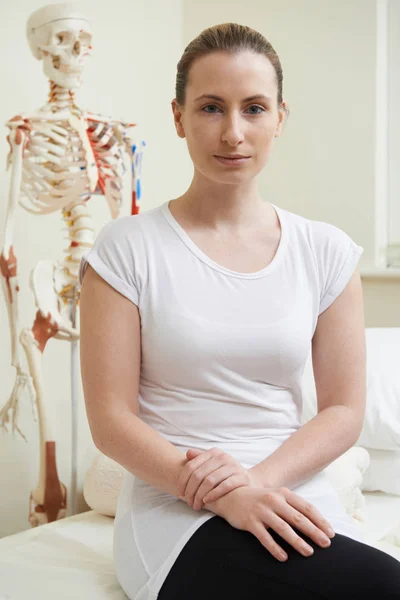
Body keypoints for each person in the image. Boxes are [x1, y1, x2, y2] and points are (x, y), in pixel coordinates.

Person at [79, 22, 400, 600]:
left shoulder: (325, 252)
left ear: (280, 116)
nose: (233, 132)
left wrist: (254, 484)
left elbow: (345, 410)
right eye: (210, 108)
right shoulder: (126, 249)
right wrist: (224, 495)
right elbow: (111, 420)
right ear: (178, 117)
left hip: (285, 489)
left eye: (254, 108)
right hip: (176, 508)